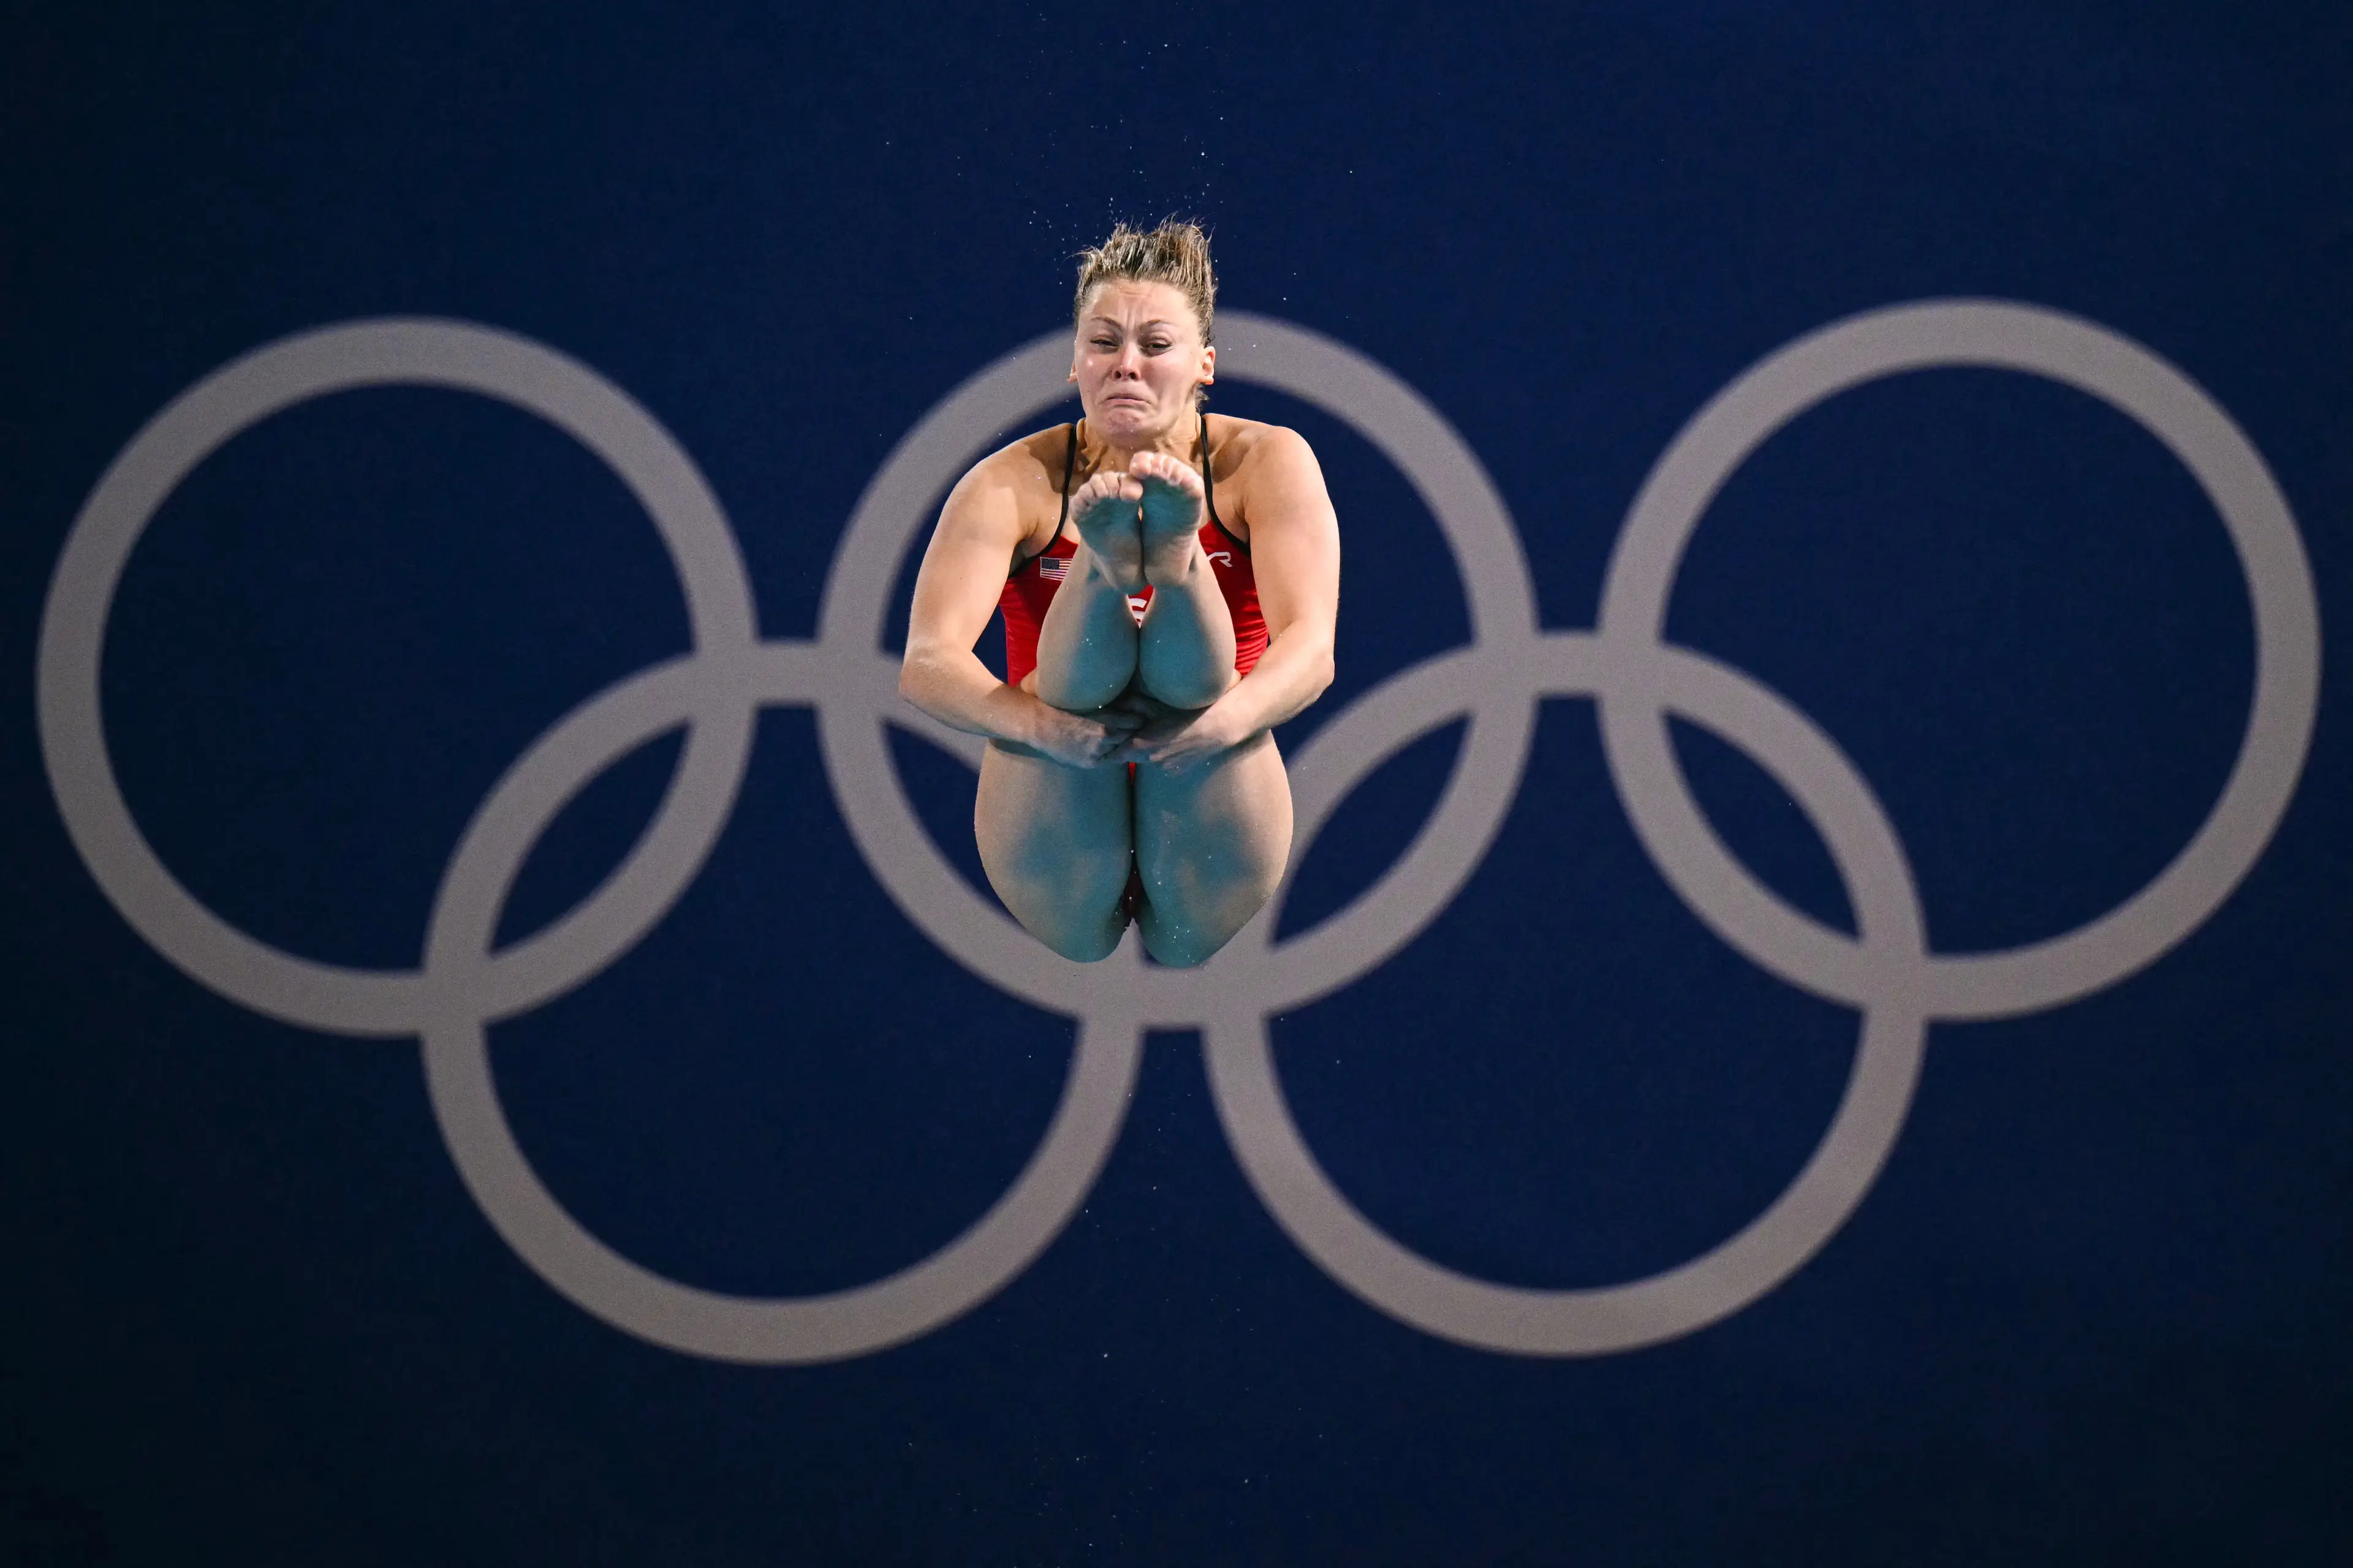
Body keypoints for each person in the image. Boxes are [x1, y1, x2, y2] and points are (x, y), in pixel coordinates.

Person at [899, 219, 1340, 965]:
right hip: (1059, 768)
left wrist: (1220, 726)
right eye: (1103, 343)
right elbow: (927, 664)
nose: (1125, 366)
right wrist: (1043, 728)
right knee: (1071, 690)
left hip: (1210, 760)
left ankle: (1173, 564)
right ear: (1075, 362)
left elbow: (1312, 650)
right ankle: (1111, 565)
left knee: (1194, 689)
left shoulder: (1267, 461)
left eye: (1155, 346)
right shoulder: (1010, 482)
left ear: (1205, 364)